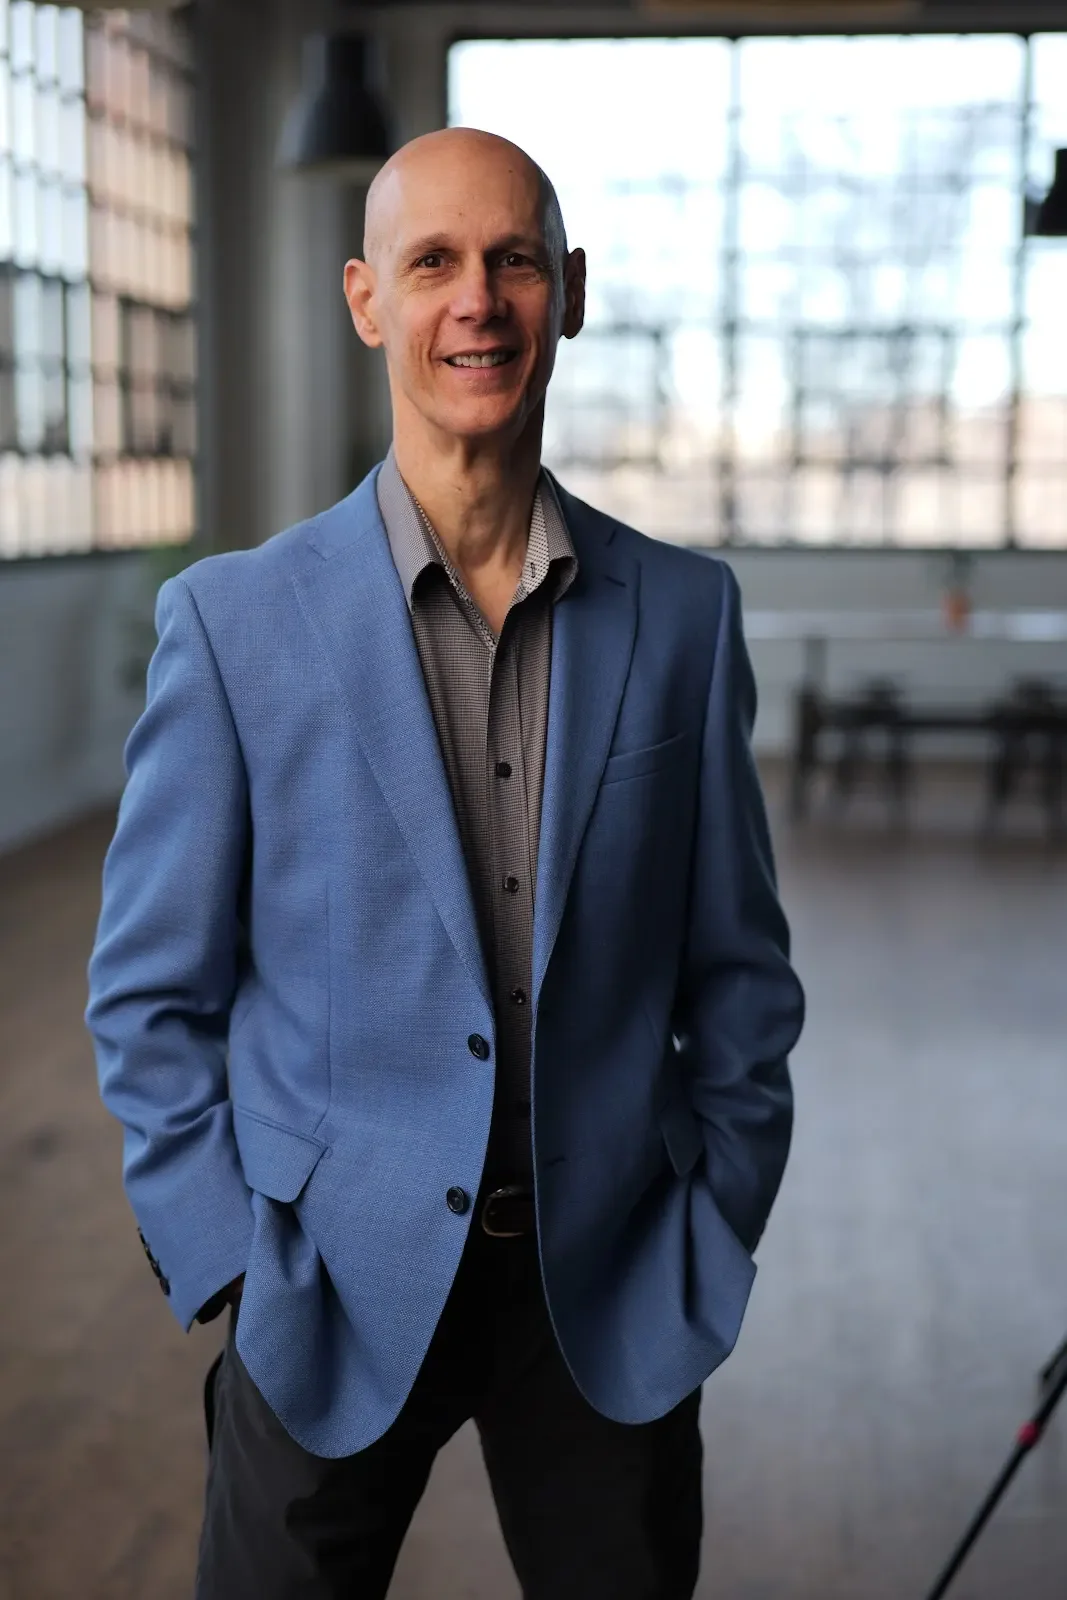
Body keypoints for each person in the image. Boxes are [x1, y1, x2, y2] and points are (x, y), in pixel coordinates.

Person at [86, 126, 804, 1600]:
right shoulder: (231, 624)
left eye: (513, 260)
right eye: (432, 263)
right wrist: (229, 1256)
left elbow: (738, 974)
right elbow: (149, 998)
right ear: (367, 301)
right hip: (324, 1283)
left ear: (569, 292)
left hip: (608, 1279)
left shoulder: (686, 615)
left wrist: (713, 1208)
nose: (477, 299)